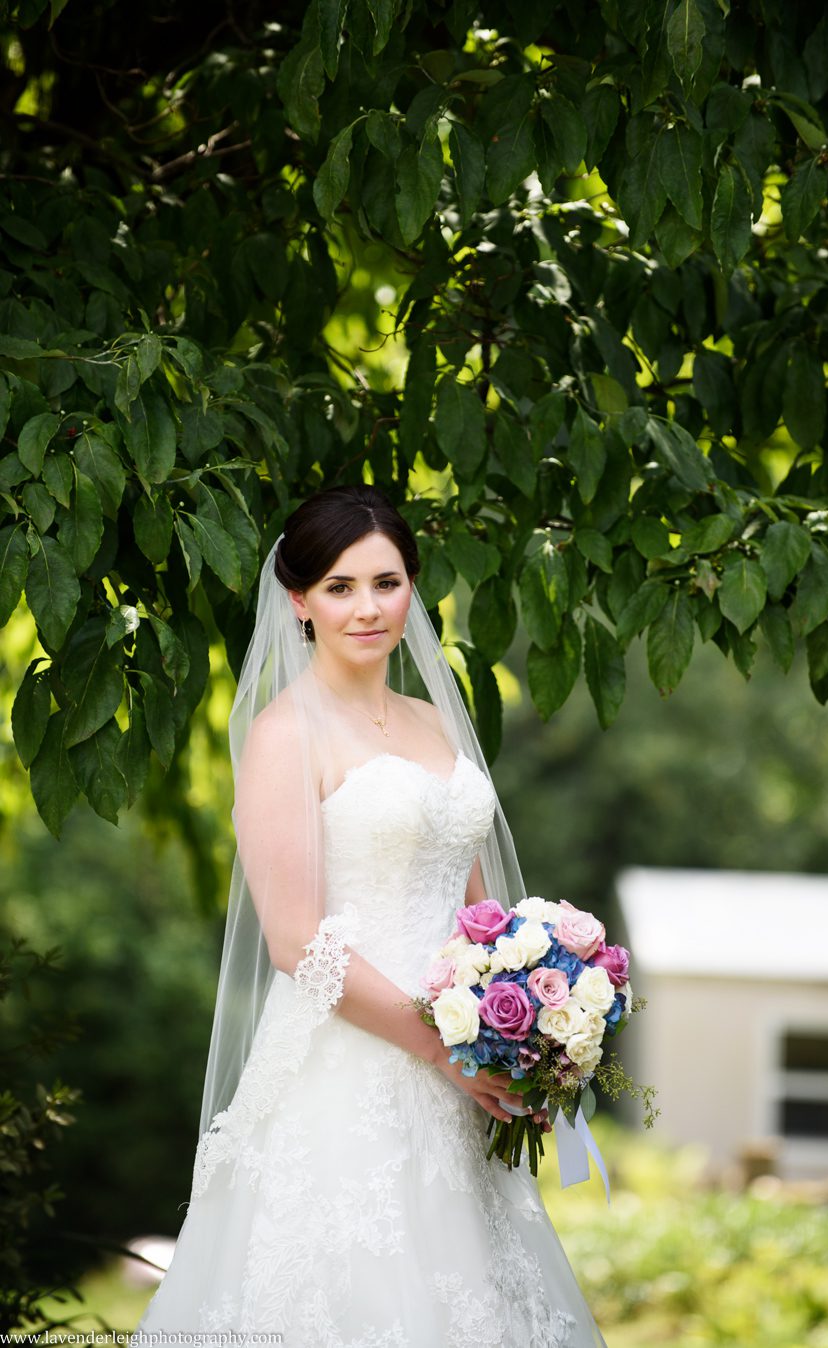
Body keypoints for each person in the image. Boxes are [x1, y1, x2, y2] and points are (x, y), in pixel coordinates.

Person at [134, 484, 607, 1347]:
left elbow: (476, 914)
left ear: (412, 589)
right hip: (351, 1065)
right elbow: (294, 940)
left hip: (466, 1065)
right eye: (341, 587)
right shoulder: (286, 734)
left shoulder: (436, 721)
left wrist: (531, 1024)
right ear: (299, 602)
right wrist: (440, 1045)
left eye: (386, 583)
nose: (367, 607)